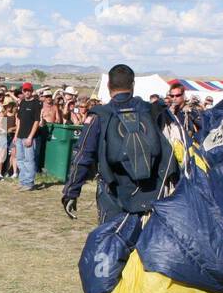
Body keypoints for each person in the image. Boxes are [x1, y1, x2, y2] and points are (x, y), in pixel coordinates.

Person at [61, 64, 175, 222]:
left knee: (114, 243)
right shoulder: (151, 111)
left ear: (108, 86)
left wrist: (71, 191)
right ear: (133, 85)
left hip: (112, 195)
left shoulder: (99, 116)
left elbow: (82, 154)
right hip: (152, 193)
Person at [14, 82, 43, 191]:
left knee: (29, 160)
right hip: (20, 136)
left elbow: (36, 121)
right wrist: (16, 135)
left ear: (32, 91)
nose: (27, 92)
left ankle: (29, 183)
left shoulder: (36, 104)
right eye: (25, 90)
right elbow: (19, 121)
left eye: (29, 90)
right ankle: (23, 181)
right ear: (22, 91)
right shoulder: (22, 103)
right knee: (20, 159)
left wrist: (30, 137)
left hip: (29, 136)